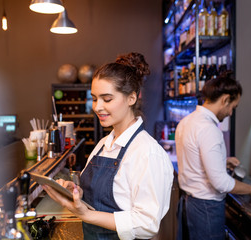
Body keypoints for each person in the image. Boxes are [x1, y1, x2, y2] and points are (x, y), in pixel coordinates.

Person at [43, 52, 174, 239]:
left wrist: (86, 214)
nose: (97, 107)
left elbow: (147, 224)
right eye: (95, 98)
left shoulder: (147, 153)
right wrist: (76, 192)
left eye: (107, 99)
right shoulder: (104, 144)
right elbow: (98, 197)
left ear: (132, 98)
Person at [175, 76, 251, 240]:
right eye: (232, 107)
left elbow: (193, 157)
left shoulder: (186, 121)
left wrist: (222, 160)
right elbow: (220, 183)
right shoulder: (209, 130)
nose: (230, 113)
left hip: (189, 203)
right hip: (207, 208)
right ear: (225, 99)